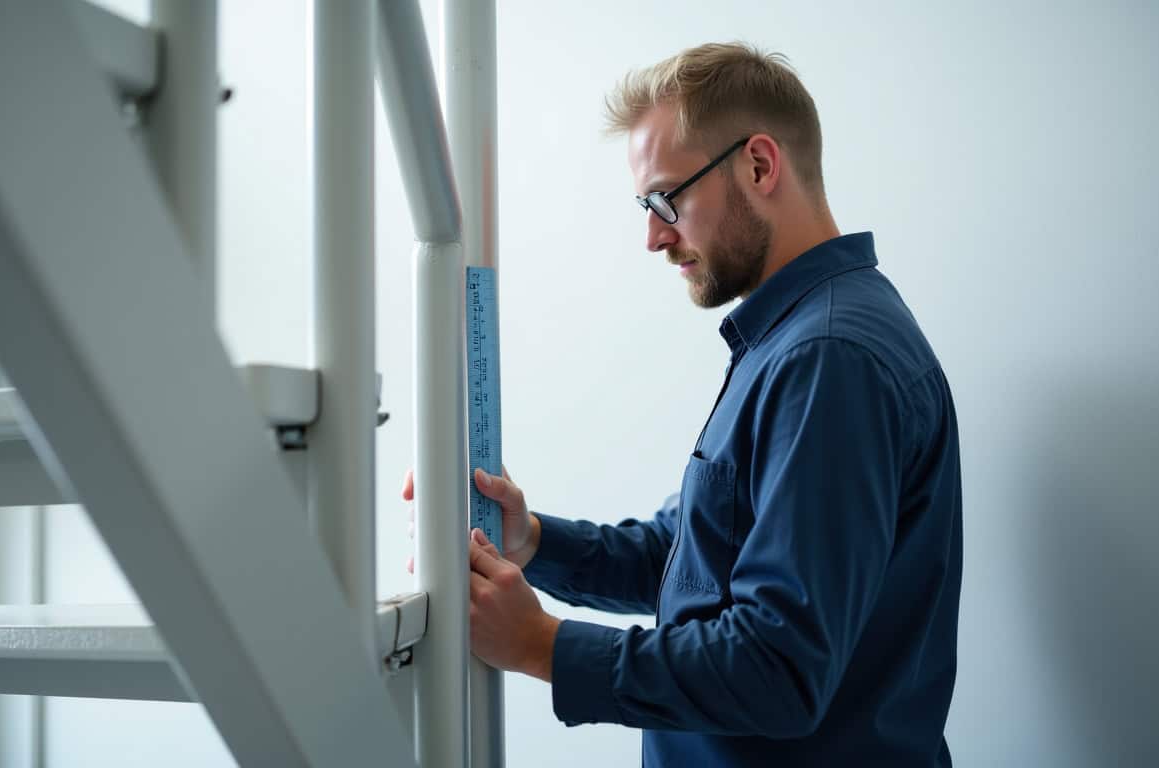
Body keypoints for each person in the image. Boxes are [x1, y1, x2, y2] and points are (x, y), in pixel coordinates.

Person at [405, 42, 962, 767]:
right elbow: (691, 560)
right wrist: (531, 541)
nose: (652, 236)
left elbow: (778, 672)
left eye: (667, 199)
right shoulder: (796, 342)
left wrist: (544, 647)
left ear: (759, 166)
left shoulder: (828, 359)